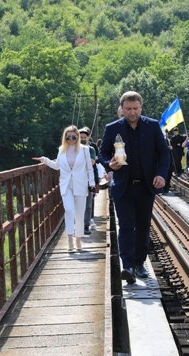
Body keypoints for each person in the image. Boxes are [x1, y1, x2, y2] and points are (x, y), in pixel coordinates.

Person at [98, 91, 169, 284]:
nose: (132, 112)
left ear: (141, 107)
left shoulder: (153, 126)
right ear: (122, 108)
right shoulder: (112, 128)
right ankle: (127, 266)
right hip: (123, 186)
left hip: (146, 186)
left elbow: (164, 153)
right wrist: (108, 164)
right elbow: (103, 152)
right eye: (128, 109)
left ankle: (139, 264)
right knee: (127, 225)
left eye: (135, 108)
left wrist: (161, 174)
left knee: (143, 226)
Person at [33, 125, 95, 252]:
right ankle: (70, 239)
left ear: (77, 137)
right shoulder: (61, 150)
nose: (71, 139)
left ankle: (78, 240)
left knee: (79, 213)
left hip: (81, 184)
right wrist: (45, 160)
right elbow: (57, 166)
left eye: (73, 137)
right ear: (65, 138)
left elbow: (89, 167)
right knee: (69, 210)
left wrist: (92, 183)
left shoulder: (85, 150)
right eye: (68, 137)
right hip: (66, 185)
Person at [79, 126, 98, 234]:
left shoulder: (91, 149)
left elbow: (91, 162)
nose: (82, 139)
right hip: (76, 181)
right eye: (80, 137)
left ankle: (86, 225)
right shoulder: (72, 149)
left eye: (84, 137)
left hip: (88, 180)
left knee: (88, 204)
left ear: (87, 138)